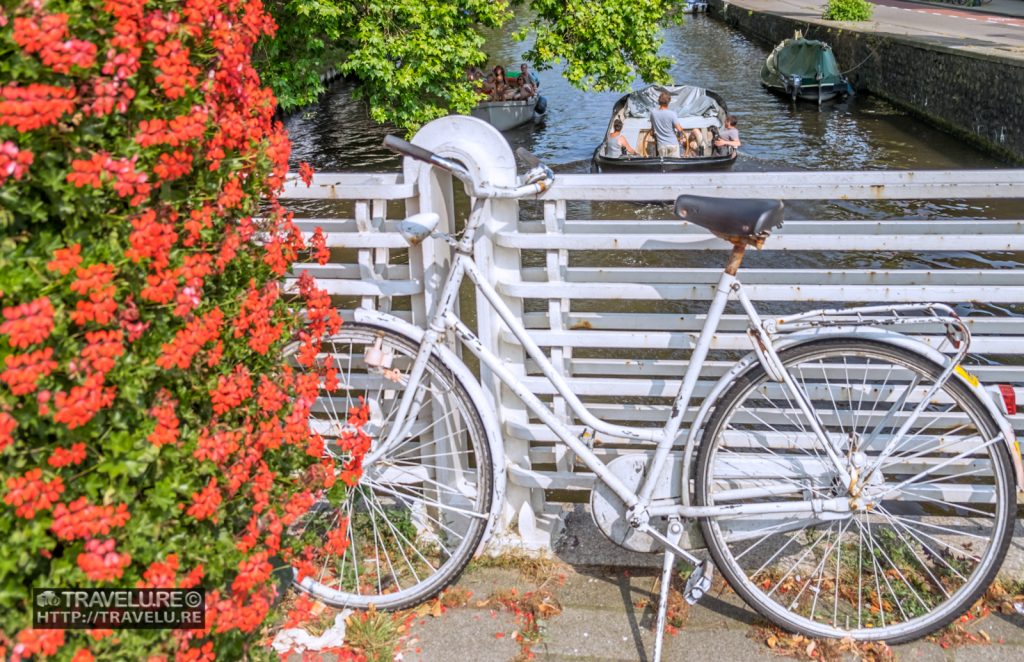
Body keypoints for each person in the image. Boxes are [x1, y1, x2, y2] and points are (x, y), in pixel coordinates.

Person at [650, 90, 686, 158]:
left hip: (661, 146)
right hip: (673, 145)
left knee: (663, 166)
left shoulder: (653, 114)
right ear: (668, 102)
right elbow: (679, 129)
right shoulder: (672, 114)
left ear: (659, 101)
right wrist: (681, 136)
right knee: (675, 166)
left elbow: (652, 131)